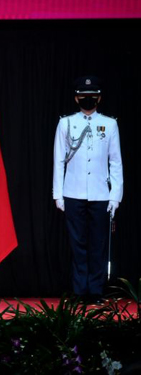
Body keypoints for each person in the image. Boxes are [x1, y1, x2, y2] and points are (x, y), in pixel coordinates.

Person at [53, 76, 123, 304]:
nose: (88, 99)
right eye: (83, 95)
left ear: (99, 98)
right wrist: (58, 193)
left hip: (101, 194)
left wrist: (116, 195)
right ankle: (79, 291)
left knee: (98, 244)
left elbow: (116, 162)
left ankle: (95, 290)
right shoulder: (66, 124)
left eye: (92, 96)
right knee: (78, 244)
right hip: (73, 193)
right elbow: (58, 161)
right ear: (76, 97)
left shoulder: (110, 124)